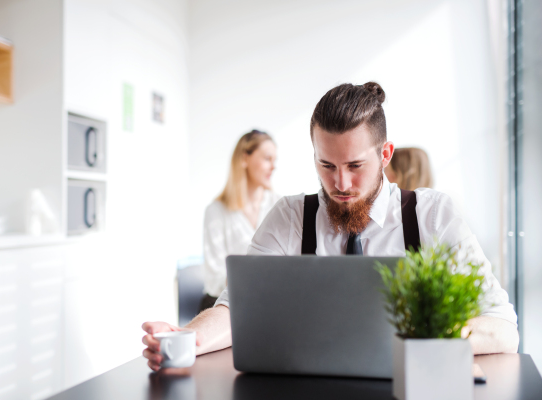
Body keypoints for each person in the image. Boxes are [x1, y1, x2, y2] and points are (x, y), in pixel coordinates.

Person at [142, 82, 519, 371]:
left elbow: (503, 328)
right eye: (327, 166)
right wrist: (189, 339)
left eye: (355, 166)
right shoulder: (288, 216)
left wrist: (428, 335)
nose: (340, 184)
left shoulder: (432, 215)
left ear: (385, 154)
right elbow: (236, 307)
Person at [199, 130, 280, 313]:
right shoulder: (216, 211)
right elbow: (214, 279)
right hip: (226, 304)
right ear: (244, 159)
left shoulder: (280, 207)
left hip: (270, 301)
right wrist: (249, 282)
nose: (273, 167)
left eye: (275, 160)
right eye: (267, 159)